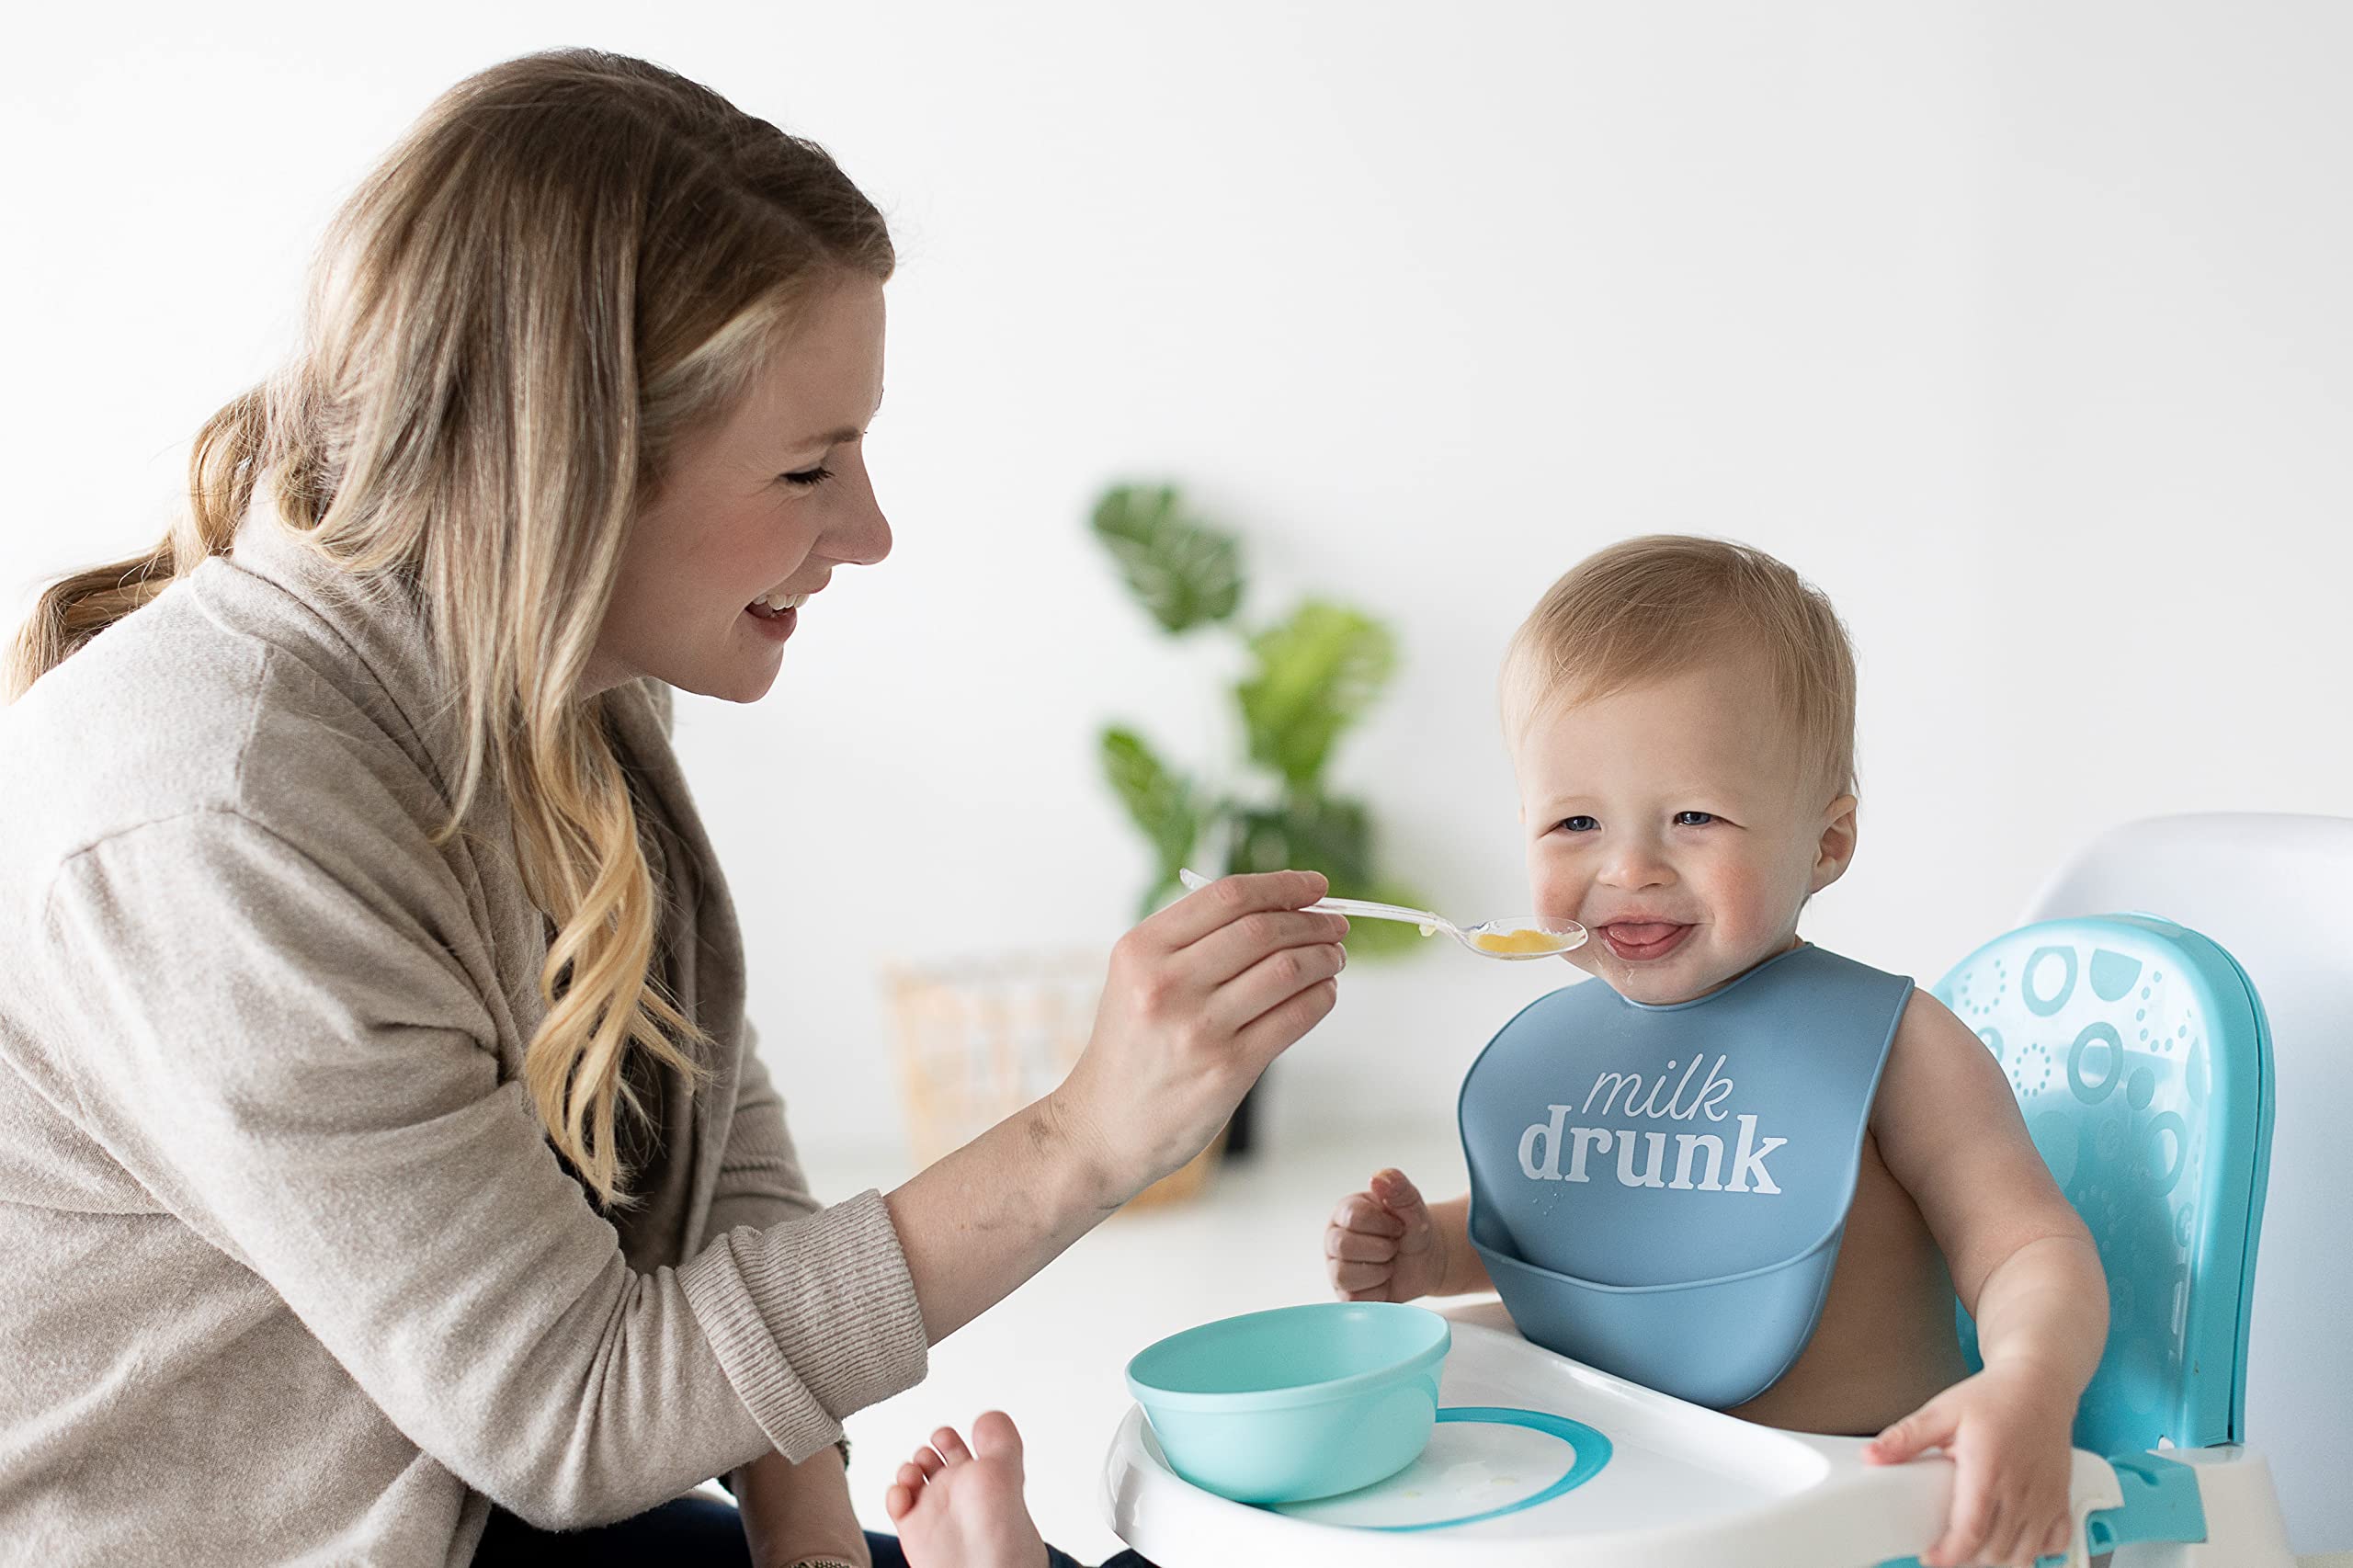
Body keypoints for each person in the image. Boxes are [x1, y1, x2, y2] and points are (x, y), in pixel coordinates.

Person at [0, 50, 1349, 1568]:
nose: (871, 529)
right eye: (806, 466)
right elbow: (571, 1413)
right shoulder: (221, 814)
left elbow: (703, 1134)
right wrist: (1078, 1143)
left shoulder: (552, 661)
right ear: (571, 476)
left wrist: (808, 1527)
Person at [1317, 536, 2109, 1568]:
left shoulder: (1896, 1048)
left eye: (1693, 816)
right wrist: (1434, 1252)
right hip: (1617, 1503)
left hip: (1844, 1519)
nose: (1629, 865)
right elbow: (1585, 1230)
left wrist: (2027, 1381)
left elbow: (2026, 1250)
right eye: (1574, 821)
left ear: (1826, 840)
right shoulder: (1559, 1049)